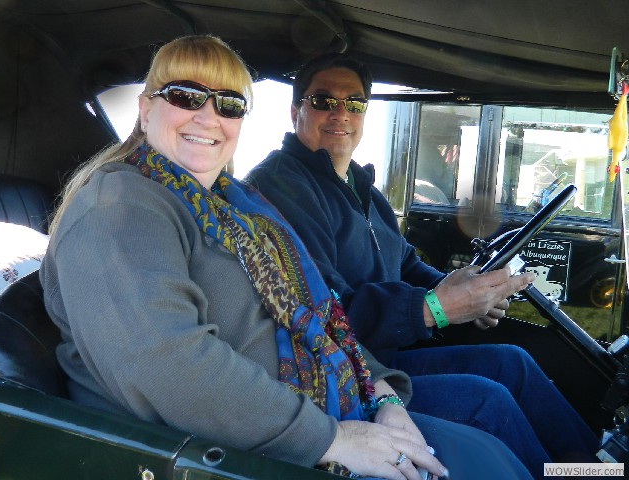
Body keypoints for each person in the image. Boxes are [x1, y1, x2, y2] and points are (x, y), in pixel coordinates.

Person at [39, 35, 533, 480]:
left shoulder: (234, 206)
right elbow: (166, 361)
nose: (210, 116)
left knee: (489, 446)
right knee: (483, 447)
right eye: (187, 96)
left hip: (317, 404)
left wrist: (381, 393)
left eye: (230, 104)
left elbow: (319, 314)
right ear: (146, 110)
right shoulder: (121, 205)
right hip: (219, 449)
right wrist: (332, 439)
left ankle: (590, 470)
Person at [245, 53, 601, 477]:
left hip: (386, 355)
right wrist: (434, 307)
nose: (340, 113)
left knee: (514, 362)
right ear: (295, 109)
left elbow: (405, 261)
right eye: (323, 100)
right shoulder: (280, 187)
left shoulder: (361, 186)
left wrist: (466, 295)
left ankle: (594, 469)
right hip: (342, 372)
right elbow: (326, 308)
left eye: (354, 103)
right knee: (486, 398)